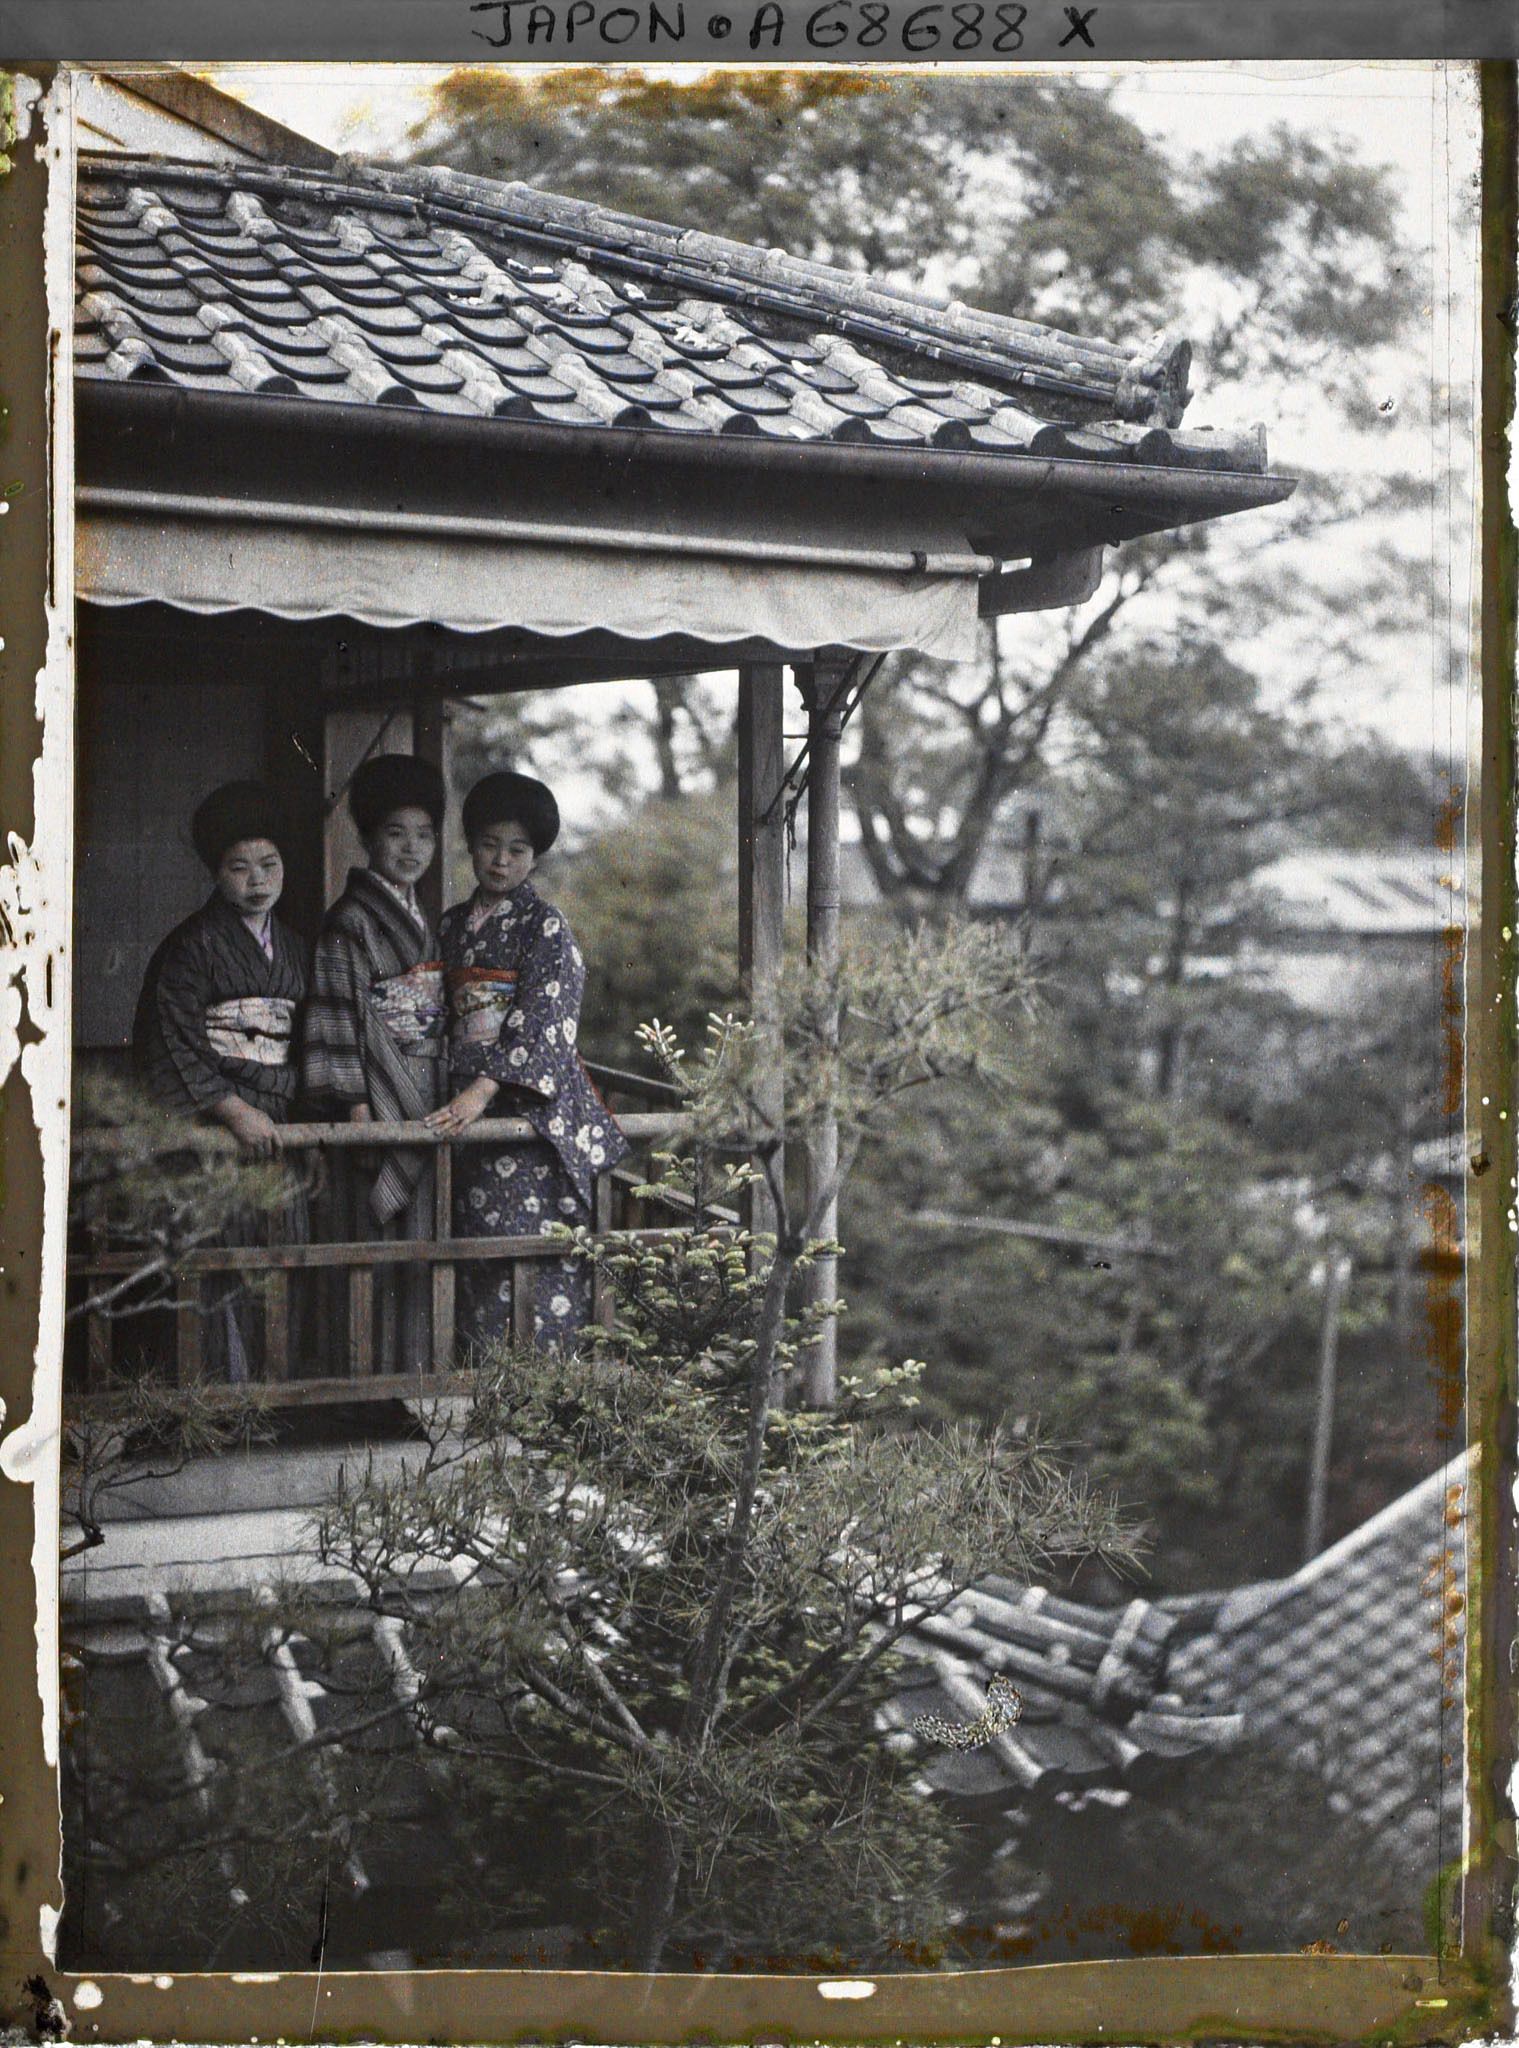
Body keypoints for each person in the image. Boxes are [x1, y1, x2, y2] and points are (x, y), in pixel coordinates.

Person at [427, 770, 628, 1353]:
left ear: (535, 857)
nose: (500, 861)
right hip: (463, 1093)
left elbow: (543, 1016)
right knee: (476, 1245)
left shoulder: (545, 926)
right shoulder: (451, 927)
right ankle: (481, 1381)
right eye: (489, 844)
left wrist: (481, 1090)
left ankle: (545, 1385)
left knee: (535, 1247)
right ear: (470, 844)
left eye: (517, 850)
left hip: (524, 1107)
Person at [133, 780, 309, 1380]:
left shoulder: (294, 948)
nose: (257, 880)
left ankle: (275, 1402)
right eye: (239, 867)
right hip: (218, 1129)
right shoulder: (190, 946)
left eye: (270, 864)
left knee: (278, 1260)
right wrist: (233, 1110)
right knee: (214, 1265)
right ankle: (216, 1406)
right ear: (216, 872)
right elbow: (171, 1040)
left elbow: (307, 1038)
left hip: (278, 1123)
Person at [301, 754, 447, 1375]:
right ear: (366, 838)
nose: (411, 848)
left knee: (416, 1252)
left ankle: (406, 1382)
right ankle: (362, 1384)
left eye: (424, 834)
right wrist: (359, 1109)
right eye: (395, 833)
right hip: (375, 1105)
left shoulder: (421, 918)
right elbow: (335, 1018)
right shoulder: (350, 922)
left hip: (425, 1090)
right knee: (368, 1248)